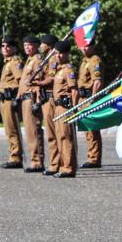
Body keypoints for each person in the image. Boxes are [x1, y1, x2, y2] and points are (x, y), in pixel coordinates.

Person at [50, 41, 78, 178]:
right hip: (58, 106)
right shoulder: (59, 69)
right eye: (56, 53)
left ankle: (68, 167)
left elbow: (74, 91)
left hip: (65, 107)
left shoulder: (68, 70)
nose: (58, 56)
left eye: (61, 53)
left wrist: (74, 108)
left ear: (67, 54)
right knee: (60, 136)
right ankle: (63, 166)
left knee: (66, 137)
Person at [17, 35, 45, 172]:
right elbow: (23, 82)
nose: (27, 47)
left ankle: (37, 161)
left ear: (36, 46)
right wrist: (18, 97)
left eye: (30, 45)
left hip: (32, 98)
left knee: (34, 130)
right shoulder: (29, 60)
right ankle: (34, 159)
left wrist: (38, 101)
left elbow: (38, 82)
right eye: (25, 45)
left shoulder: (37, 60)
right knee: (29, 131)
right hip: (25, 99)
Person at [36, 34, 60, 176]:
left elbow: (51, 79)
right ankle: (55, 163)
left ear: (49, 45)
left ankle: (55, 164)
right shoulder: (47, 58)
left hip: (51, 99)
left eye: (42, 43)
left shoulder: (52, 59)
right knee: (51, 133)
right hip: (46, 98)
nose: (40, 46)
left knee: (52, 133)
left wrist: (37, 83)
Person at [0, 36, 23, 169]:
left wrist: (17, 98)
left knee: (12, 129)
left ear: (14, 48)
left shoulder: (14, 62)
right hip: (4, 99)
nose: (5, 48)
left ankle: (16, 157)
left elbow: (21, 80)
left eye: (8, 46)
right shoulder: (7, 62)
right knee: (8, 129)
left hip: (10, 99)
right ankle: (13, 154)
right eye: (3, 46)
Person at [77, 43, 104, 168]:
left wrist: (93, 99)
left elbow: (97, 82)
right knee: (87, 130)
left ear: (93, 46)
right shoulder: (85, 61)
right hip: (83, 98)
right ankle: (91, 156)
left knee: (92, 129)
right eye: (82, 46)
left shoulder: (94, 60)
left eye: (87, 46)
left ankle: (94, 159)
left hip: (89, 98)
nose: (84, 48)